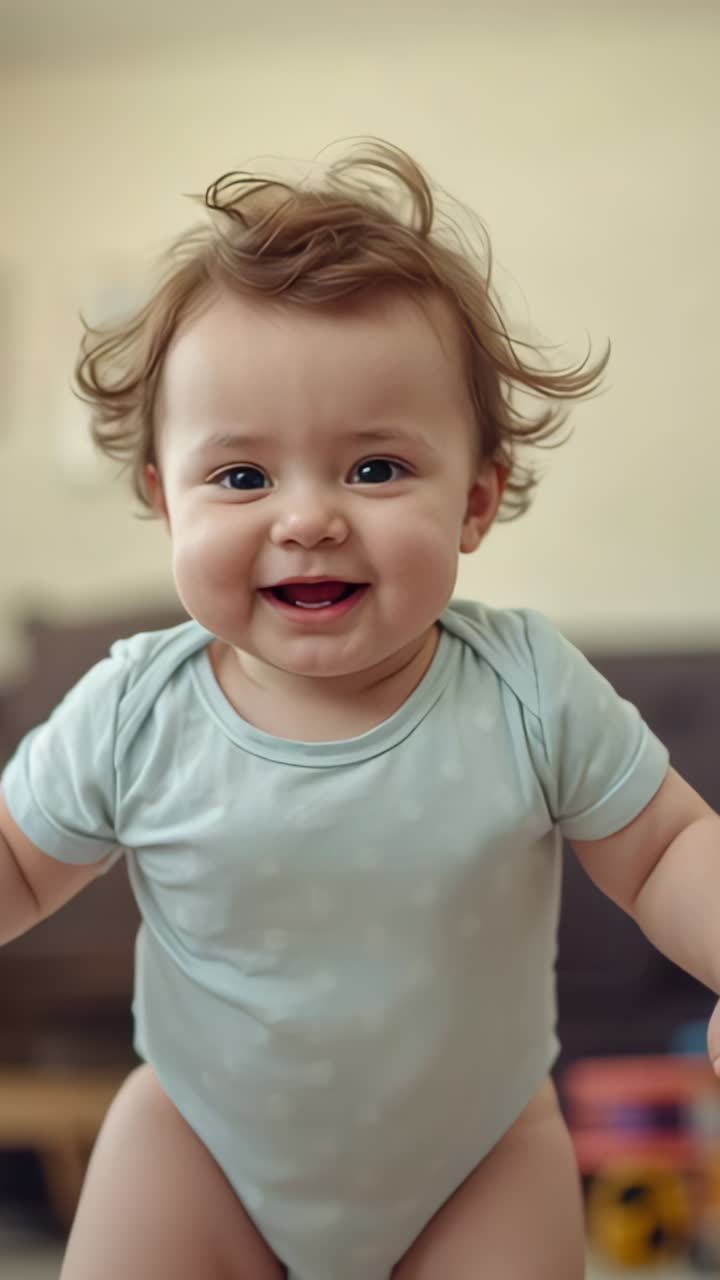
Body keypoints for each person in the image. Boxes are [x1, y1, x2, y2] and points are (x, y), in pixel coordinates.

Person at [0, 139, 717, 1280]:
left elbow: (668, 845)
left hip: (477, 1154)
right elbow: (18, 860)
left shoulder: (528, 686)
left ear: (475, 500)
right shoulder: (138, 706)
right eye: (241, 476)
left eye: (375, 468)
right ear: (163, 501)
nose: (309, 518)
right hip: (202, 1141)